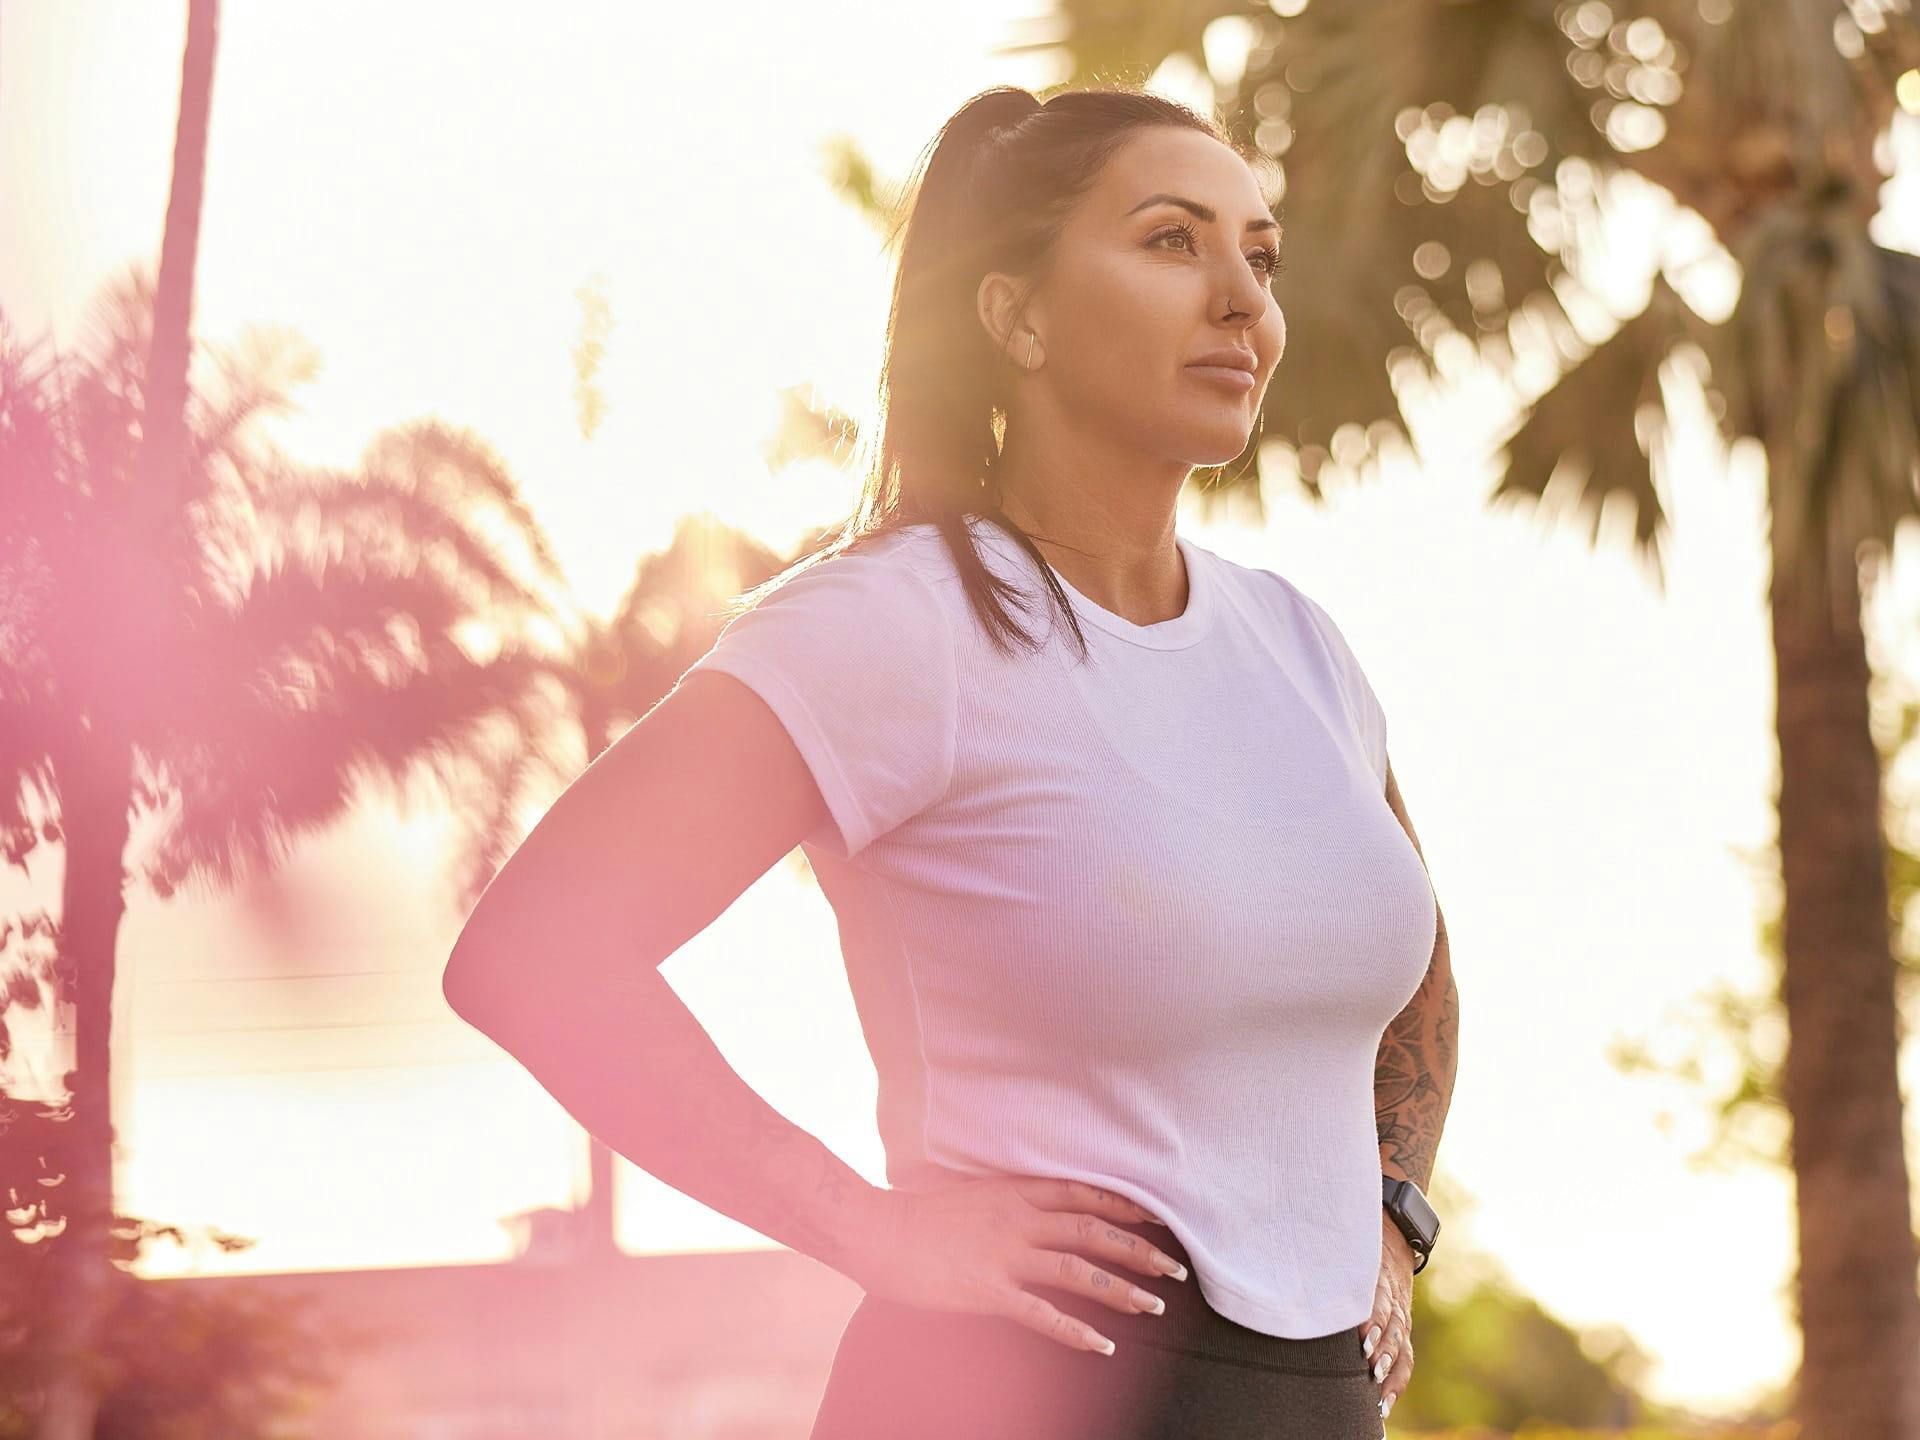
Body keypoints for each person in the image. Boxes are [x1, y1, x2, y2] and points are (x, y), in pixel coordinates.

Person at [442, 81, 1455, 1440]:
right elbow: (533, 953)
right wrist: (863, 1227)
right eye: (1172, 241)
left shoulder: (1298, 647)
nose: (1241, 300)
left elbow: (1418, 966)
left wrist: (1395, 1208)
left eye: (1259, 258)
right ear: (1014, 314)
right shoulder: (893, 625)